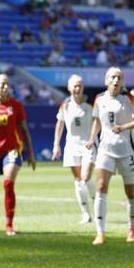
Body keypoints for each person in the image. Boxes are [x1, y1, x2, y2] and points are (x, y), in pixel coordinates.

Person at [86, 67, 134, 245]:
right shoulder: (99, 99)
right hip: (105, 149)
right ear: (106, 80)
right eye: (113, 77)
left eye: (119, 77)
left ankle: (132, 229)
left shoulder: (129, 99)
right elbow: (97, 121)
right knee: (101, 187)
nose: (116, 80)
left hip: (127, 151)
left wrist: (124, 127)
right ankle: (100, 233)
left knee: (131, 192)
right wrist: (91, 139)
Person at [0, 74, 36, 236]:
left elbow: (24, 130)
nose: (5, 87)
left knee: (8, 183)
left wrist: (30, 153)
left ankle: (9, 225)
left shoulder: (16, 105)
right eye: (2, 84)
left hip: (13, 150)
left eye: (7, 84)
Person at [52, 74, 96, 224]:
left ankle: (97, 201)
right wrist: (56, 145)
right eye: (75, 86)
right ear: (69, 88)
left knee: (86, 177)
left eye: (80, 85)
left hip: (88, 146)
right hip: (71, 146)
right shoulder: (65, 106)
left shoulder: (91, 105)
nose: (77, 88)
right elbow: (60, 124)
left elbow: (99, 123)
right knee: (79, 180)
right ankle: (86, 214)